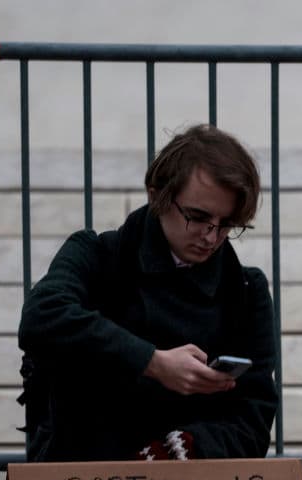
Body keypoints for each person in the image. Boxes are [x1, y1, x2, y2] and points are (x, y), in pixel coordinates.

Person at [17, 124, 277, 462]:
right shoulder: (96, 255)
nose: (211, 237)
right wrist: (153, 362)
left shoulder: (246, 291)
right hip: (83, 477)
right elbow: (41, 317)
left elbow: (253, 419)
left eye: (226, 224)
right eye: (197, 217)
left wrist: (186, 448)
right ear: (157, 196)